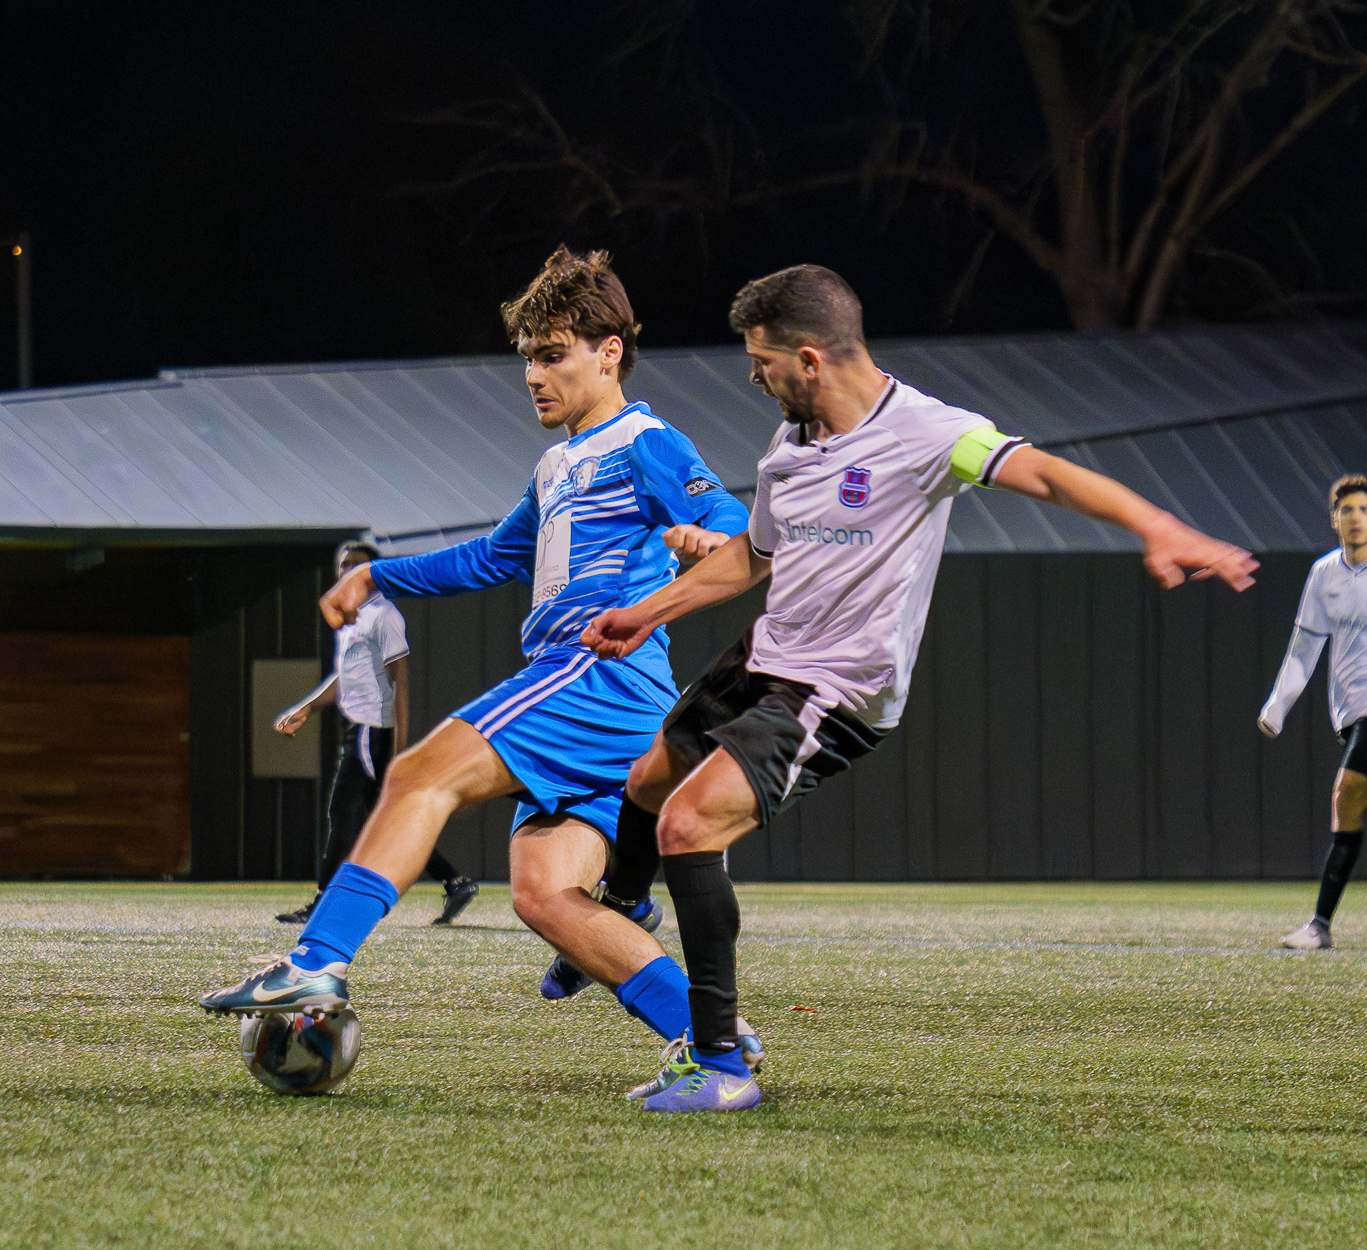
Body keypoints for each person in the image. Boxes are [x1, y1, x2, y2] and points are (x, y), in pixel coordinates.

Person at [580, 263, 1260, 1114]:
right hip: (765, 656)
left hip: (837, 689)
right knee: (648, 780)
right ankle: (624, 906)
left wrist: (1156, 526)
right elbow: (754, 556)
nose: (755, 378)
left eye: (762, 362)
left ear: (810, 359)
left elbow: (1047, 475)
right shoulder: (790, 445)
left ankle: (720, 1065)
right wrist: (645, 612)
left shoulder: (931, 433)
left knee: (688, 824)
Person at [200, 246, 754, 1086]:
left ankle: (315, 961)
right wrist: (377, 575)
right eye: (527, 357)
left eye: (553, 355)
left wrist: (709, 535)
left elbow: (730, 518)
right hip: (608, 702)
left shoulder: (644, 441)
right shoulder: (558, 463)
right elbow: (493, 556)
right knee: (543, 893)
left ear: (610, 353)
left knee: (418, 775)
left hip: (595, 678)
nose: (533, 374)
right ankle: (713, 1039)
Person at [273, 541, 477, 929]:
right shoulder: (353, 617)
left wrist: (399, 747)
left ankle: (323, 904)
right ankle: (454, 882)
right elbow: (345, 676)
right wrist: (307, 706)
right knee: (385, 817)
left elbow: (401, 682)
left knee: (343, 813)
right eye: (344, 565)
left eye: (358, 565)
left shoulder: (383, 614)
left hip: (373, 731)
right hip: (361, 729)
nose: (348, 571)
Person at [1258, 474, 1367, 949]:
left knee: (1347, 789)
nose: (1357, 518)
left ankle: (1319, 925)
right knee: (1348, 805)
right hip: (1349, 712)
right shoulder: (1325, 574)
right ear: (1333, 520)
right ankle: (1320, 926)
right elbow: (1304, 649)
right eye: (1348, 510)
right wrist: (1277, 706)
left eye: (1365, 510)